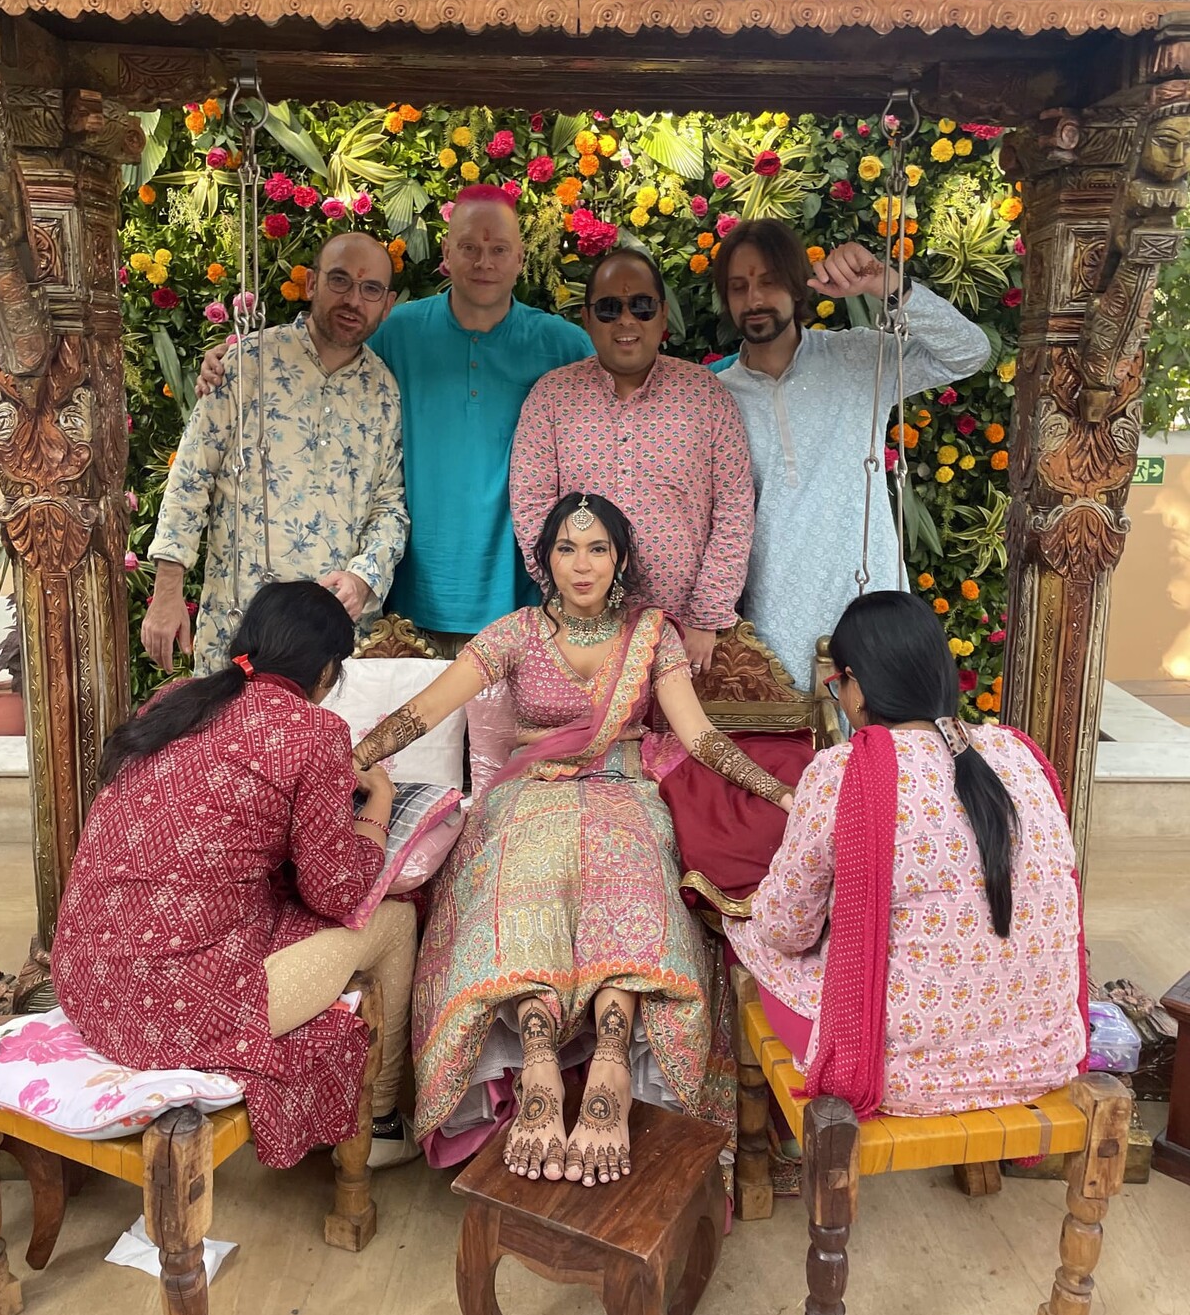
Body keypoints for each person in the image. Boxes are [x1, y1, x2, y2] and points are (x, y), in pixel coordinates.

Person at [352, 492, 795, 1186]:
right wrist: (354, 755)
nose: (581, 565)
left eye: (596, 549)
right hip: (530, 796)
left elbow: (699, 734)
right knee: (523, 882)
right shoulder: (517, 633)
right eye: (566, 549)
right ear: (545, 559)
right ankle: (537, 1070)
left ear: (619, 558)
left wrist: (775, 790)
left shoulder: (652, 633)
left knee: (629, 883)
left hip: (626, 787)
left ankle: (612, 1064)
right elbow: (427, 707)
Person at [51, 582, 419, 1169]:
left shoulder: (174, 700)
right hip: (170, 1013)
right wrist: (378, 803)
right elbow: (339, 891)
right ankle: (380, 1121)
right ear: (327, 670)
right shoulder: (314, 732)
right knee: (396, 919)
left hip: (86, 981)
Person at [727, 591, 1088, 1120]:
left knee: (752, 940)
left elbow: (787, 930)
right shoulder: (1020, 753)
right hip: (1041, 1056)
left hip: (898, 1071)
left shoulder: (844, 771)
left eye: (837, 685)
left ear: (857, 686)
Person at [197, 185, 593, 655]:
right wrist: (230, 361)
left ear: (521, 257)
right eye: (469, 247)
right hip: (409, 608)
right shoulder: (396, 330)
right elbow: (320, 366)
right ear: (446, 251)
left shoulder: (564, 346)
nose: (484, 262)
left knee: (506, 732)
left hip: (524, 600)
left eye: (499, 249)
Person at [711, 221, 989, 688]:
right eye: (738, 287)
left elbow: (968, 353)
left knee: (884, 749)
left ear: (799, 286)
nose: (754, 299)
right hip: (773, 616)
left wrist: (889, 286)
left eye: (769, 282)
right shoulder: (718, 397)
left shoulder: (856, 358)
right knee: (796, 753)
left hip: (870, 599)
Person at [147, 231, 409, 675]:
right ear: (311, 283)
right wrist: (168, 591)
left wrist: (365, 577)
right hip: (239, 623)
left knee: (323, 745)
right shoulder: (246, 364)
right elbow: (192, 478)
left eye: (370, 290)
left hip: (330, 639)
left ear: (386, 305)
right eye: (340, 281)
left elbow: (390, 505)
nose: (353, 300)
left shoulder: (383, 391)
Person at [510, 249, 755, 675]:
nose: (626, 321)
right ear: (587, 320)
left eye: (641, 307)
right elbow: (532, 508)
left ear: (662, 317)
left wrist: (706, 616)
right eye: (609, 309)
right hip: (579, 631)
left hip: (685, 632)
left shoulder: (706, 395)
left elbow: (734, 508)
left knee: (677, 740)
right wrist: (573, 601)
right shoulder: (552, 397)